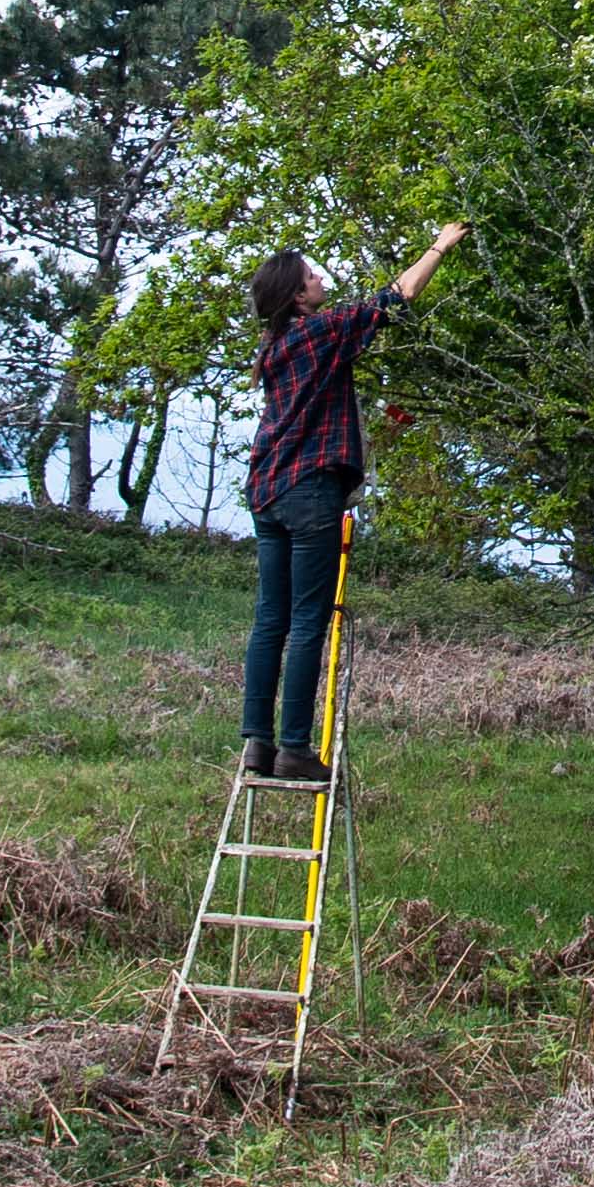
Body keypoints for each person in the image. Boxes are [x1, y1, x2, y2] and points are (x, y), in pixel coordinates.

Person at [237, 221, 464, 783]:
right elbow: (398, 297)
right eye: (312, 276)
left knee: (272, 620)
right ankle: (293, 747)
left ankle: (256, 745)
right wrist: (439, 243)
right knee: (309, 620)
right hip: (310, 488)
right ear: (296, 295)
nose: (320, 279)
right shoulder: (319, 332)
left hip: (266, 490)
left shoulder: (274, 348)